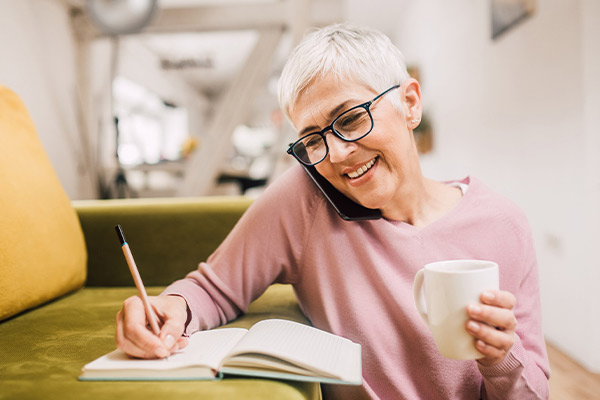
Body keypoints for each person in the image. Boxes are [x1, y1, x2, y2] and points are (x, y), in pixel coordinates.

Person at [115, 24, 550, 399]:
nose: (338, 154)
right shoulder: (306, 199)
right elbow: (214, 288)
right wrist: (169, 307)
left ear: (410, 104)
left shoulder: (503, 225)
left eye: (351, 118)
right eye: (313, 138)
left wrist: (500, 358)